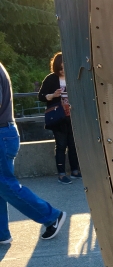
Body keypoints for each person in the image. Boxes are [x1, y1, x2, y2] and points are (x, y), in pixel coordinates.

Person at [0, 62, 66, 244]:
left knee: (5, 183)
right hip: (5, 133)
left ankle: (51, 216)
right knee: (2, 185)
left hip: (1, 134)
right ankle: (1, 233)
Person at [38, 52, 81, 184]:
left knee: (73, 145)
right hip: (58, 117)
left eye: (65, 67)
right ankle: (61, 174)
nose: (63, 70)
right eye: (61, 68)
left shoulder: (73, 77)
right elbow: (41, 96)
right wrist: (53, 95)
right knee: (61, 145)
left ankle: (75, 170)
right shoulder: (51, 79)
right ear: (56, 67)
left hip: (73, 116)